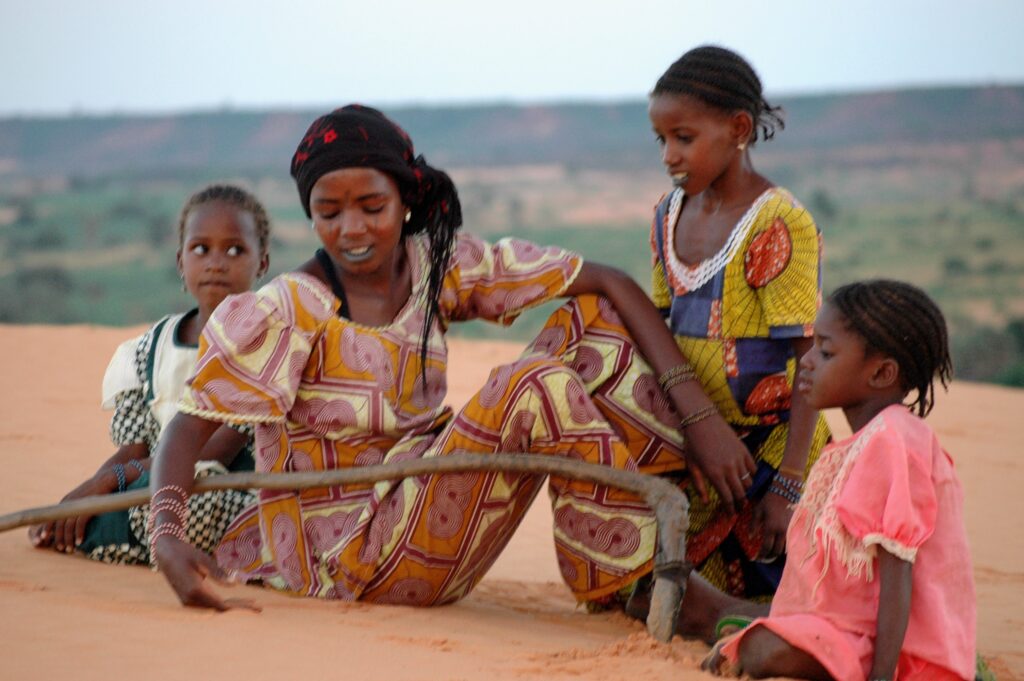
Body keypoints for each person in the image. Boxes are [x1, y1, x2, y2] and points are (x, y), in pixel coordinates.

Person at [146, 104, 762, 612]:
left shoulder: (437, 265)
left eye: (372, 207)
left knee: (591, 327)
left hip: (425, 510)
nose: (352, 230)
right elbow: (186, 428)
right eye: (328, 213)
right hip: (346, 562)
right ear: (310, 215)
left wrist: (700, 417)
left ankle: (637, 573)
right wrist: (169, 536)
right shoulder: (291, 307)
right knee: (534, 385)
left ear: (406, 202)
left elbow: (608, 281)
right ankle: (666, 588)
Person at [705, 280, 976, 680]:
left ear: (882, 373)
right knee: (750, 639)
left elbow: (898, 571)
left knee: (762, 650)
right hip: (846, 630)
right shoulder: (859, 444)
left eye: (826, 352)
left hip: (903, 653)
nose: (808, 361)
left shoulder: (895, 441)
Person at [646, 45, 831, 599]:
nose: (669, 156)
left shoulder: (778, 222)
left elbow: (809, 361)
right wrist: (694, 426)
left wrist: (790, 485)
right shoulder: (667, 213)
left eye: (684, 137)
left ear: (739, 128)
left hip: (774, 453)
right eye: (661, 140)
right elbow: (660, 325)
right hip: (696, 448)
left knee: (793, 593)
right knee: (658, 592)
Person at [28, 184, 271, 565]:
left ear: (263, 263)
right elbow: (132, 450)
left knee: (196, 505)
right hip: (150, 486)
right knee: (90, 514)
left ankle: (145, 540)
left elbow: (215, 450)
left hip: (225, 488)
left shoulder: (266, 343)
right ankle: (136, 536)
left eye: (235, 250)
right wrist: (88, 493)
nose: (216, 262)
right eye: (201, 249)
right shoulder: (149, 349)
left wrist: (114, 483)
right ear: (180, 261)